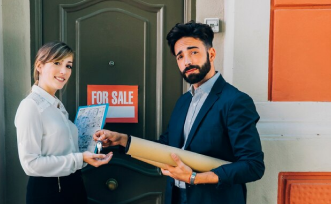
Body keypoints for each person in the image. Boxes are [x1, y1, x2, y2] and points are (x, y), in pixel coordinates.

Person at [93, 21, 265, 204]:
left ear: (211, 54)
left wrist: (194, 178)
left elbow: (252, 166)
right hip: (176, 197)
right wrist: (122, 139)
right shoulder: (183, 101)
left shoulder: (235, 101)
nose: (187, 61)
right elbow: (165, 147)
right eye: (180, 56)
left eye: (194, 52)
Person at [15, 41, 113, 204]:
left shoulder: (56, 105)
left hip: (72, 186)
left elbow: (65, 151)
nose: (63, 71)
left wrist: (92, 146)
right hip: (49, 192)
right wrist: (80, 158)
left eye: (68, 65)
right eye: (57, 63)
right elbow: (30, 164)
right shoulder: (31, 106)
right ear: (39, 66)